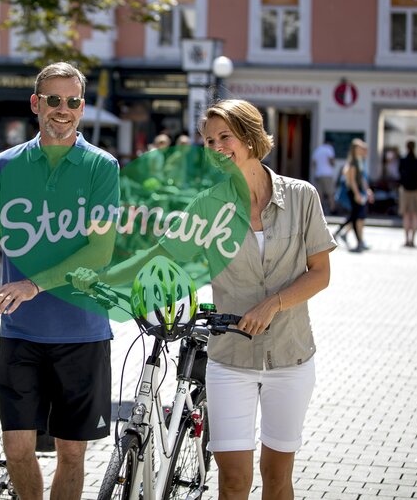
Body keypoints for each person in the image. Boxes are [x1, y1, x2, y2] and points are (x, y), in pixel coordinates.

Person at [74, 98, 336, 500]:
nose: (216, 148)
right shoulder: (208, 205)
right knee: (233, 480)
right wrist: (104, 276)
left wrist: (272, 304)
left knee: (277, 474)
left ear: (249, 137)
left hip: (291, 356)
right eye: (209, 141)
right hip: (230, 359)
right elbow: (161, 254)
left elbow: (320, 273)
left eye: (224, 137)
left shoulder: (302, 197)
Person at [0, 62, 120, 500]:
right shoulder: (7, 165)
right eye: (54, 100)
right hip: (21, 333)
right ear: (36, 104)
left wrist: (32, 285)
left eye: (73, 101)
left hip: (82, 332)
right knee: (17, 449)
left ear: (82, 107)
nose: (64, 110)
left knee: (71, 454)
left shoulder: (102, 167)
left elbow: (99, 252)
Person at [333, 139, 374, 252]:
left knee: (354, 217)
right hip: (354, 193)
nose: (363, 150)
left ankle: (341, 234)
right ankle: (358, 242)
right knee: (355, 217)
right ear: (355, 149)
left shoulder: (360, 161)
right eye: (360, 148)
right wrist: (357, 194)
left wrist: (367, 190)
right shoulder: (353, 163)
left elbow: (362, 179)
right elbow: (352, 181)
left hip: (359, 192)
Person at [397, 140, 417, 247]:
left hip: (405, 190)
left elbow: (399, 173)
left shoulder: (403, 160)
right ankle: (413, 239)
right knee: (415, 215)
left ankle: (406, 239)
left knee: (406, 215)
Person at [310, 141, 337, 214]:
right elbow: (331, 160)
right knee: (330, 193)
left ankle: (319, 210)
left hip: (318, 174)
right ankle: (332, 209)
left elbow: (313, 162)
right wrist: (333, 164)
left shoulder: (318, 150)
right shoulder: (329, 149)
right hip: (327, 174)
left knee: (319, 194)